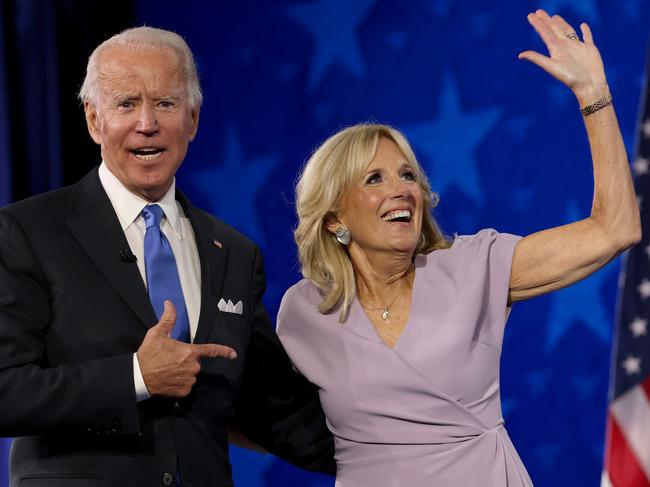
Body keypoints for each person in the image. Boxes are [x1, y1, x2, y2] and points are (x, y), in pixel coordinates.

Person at [276, 10, 641, 486]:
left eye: (408, 175)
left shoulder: (474, 268)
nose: (401, 189)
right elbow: (248, 413)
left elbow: (615, 229)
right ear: (334, 218)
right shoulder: (304, 312)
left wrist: (594, 94)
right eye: (374, 179)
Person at [0, 27, 334, 486]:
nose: (147, 123)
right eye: (125, 104)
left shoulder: (233, 253)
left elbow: (273, 410)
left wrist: (414, 451)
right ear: (93, 120)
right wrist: (135, 376)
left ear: (193, 119)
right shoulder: (28, 231)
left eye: (165, 103)